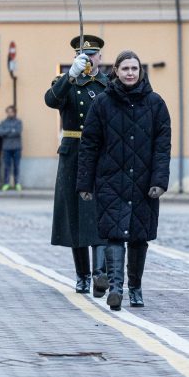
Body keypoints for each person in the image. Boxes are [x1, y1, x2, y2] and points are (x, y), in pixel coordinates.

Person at [77, 50, 172, 311]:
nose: (130, 73)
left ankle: (136, 288)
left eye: (135, 68)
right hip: (111, 180)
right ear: (116, 71)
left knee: (139, 238)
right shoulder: (102, 104)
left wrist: (159, 180)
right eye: (125, 68)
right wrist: (85, 183)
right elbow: (89, 146)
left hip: (143, 182)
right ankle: (116, 289)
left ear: (140, 72)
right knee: (115, 235)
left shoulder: (156, 104)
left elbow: (162, 147)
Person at [44, 34, 109, 296]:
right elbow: (50, 100)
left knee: (99, 213)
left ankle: (99, 274)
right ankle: (82, 275)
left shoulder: (108, 85)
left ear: (100, 58)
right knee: (75, 215)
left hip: (100, 154)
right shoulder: (66, 83)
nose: (89, 60)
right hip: (72, 154)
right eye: (84, 55)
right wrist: (69, 76)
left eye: (93, 55)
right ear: (76, 57)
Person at [0, 105, 22, 191]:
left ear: (14, 112)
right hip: (6, 148)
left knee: (16, 166)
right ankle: (6, 183)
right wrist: (11, 130)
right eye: (8, 112)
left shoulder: (18, 122)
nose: (9, 113)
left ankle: (17, 183)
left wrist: (6, 132)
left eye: (11, 112)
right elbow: (0, 132)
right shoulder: (3, 122)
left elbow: (18, 132)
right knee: (7, 167)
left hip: (17, 147)